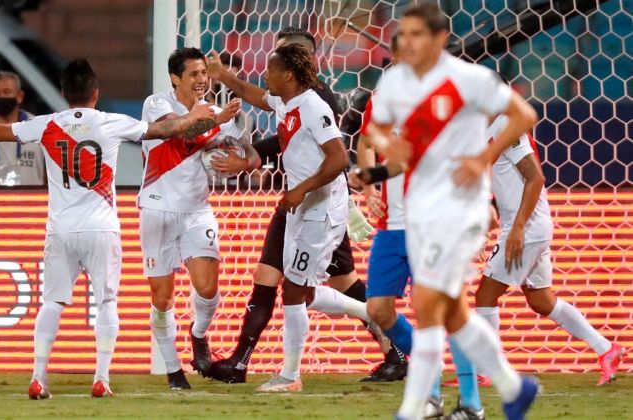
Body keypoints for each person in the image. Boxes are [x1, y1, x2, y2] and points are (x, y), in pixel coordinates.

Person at [0, 59, 217, 399]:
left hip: (61, 229)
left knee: (52, 302)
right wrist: (200, 116)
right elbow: (163, 131)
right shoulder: (112, 122)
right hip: (101, 227)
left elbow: (2, 132)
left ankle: (38, 376)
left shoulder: (46, 124)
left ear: (63, 94)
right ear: (96, 93)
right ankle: (102, 377)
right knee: (107, 300)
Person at [363, 3, 539, 419]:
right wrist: (387, 147)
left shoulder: (470, 80)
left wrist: (483, 158)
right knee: (453, 311)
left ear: (440, 39)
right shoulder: (393, 86)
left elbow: (523, 114)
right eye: (403, 34)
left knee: (427, 304)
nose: (407, 41)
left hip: (463, 208)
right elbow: (374, 129)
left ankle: (413, 409)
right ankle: (515, 389)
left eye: (417, 34)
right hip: (419, 210)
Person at [204, 28, 407, 386]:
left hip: (320, 210)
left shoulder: (314, 106)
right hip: (302, 209)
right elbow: (255, 95)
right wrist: (223, 76)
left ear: (289, 74)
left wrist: (301, 188)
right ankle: (375, 314)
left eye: (270, 70)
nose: (265, 76)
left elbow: (338, 158)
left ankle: (289, 375)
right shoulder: (286, 101)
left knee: (295, 292)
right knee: (304, 290)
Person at [475, 113, 626, 386]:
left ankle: (488, 370)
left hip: (526, 228)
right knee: (541, 300)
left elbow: (536, 179)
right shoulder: (488, 129)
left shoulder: (505, 126)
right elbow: (506, 184)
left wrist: (519, 226)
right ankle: (607, 349)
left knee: (485, 295)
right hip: (529, 225)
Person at [139, 47, 258, 390]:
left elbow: (246, 147)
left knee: (207, 287)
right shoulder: (157, 104)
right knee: (162, 298)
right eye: (194, 74)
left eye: (205, 73)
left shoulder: (219, 113)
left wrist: (244, 163)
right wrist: (215, 120)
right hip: (158, 208)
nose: (202, 80)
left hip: (196, 210)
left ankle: (199, 334)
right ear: (175, 78)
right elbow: (176, 131)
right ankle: (174, 371)